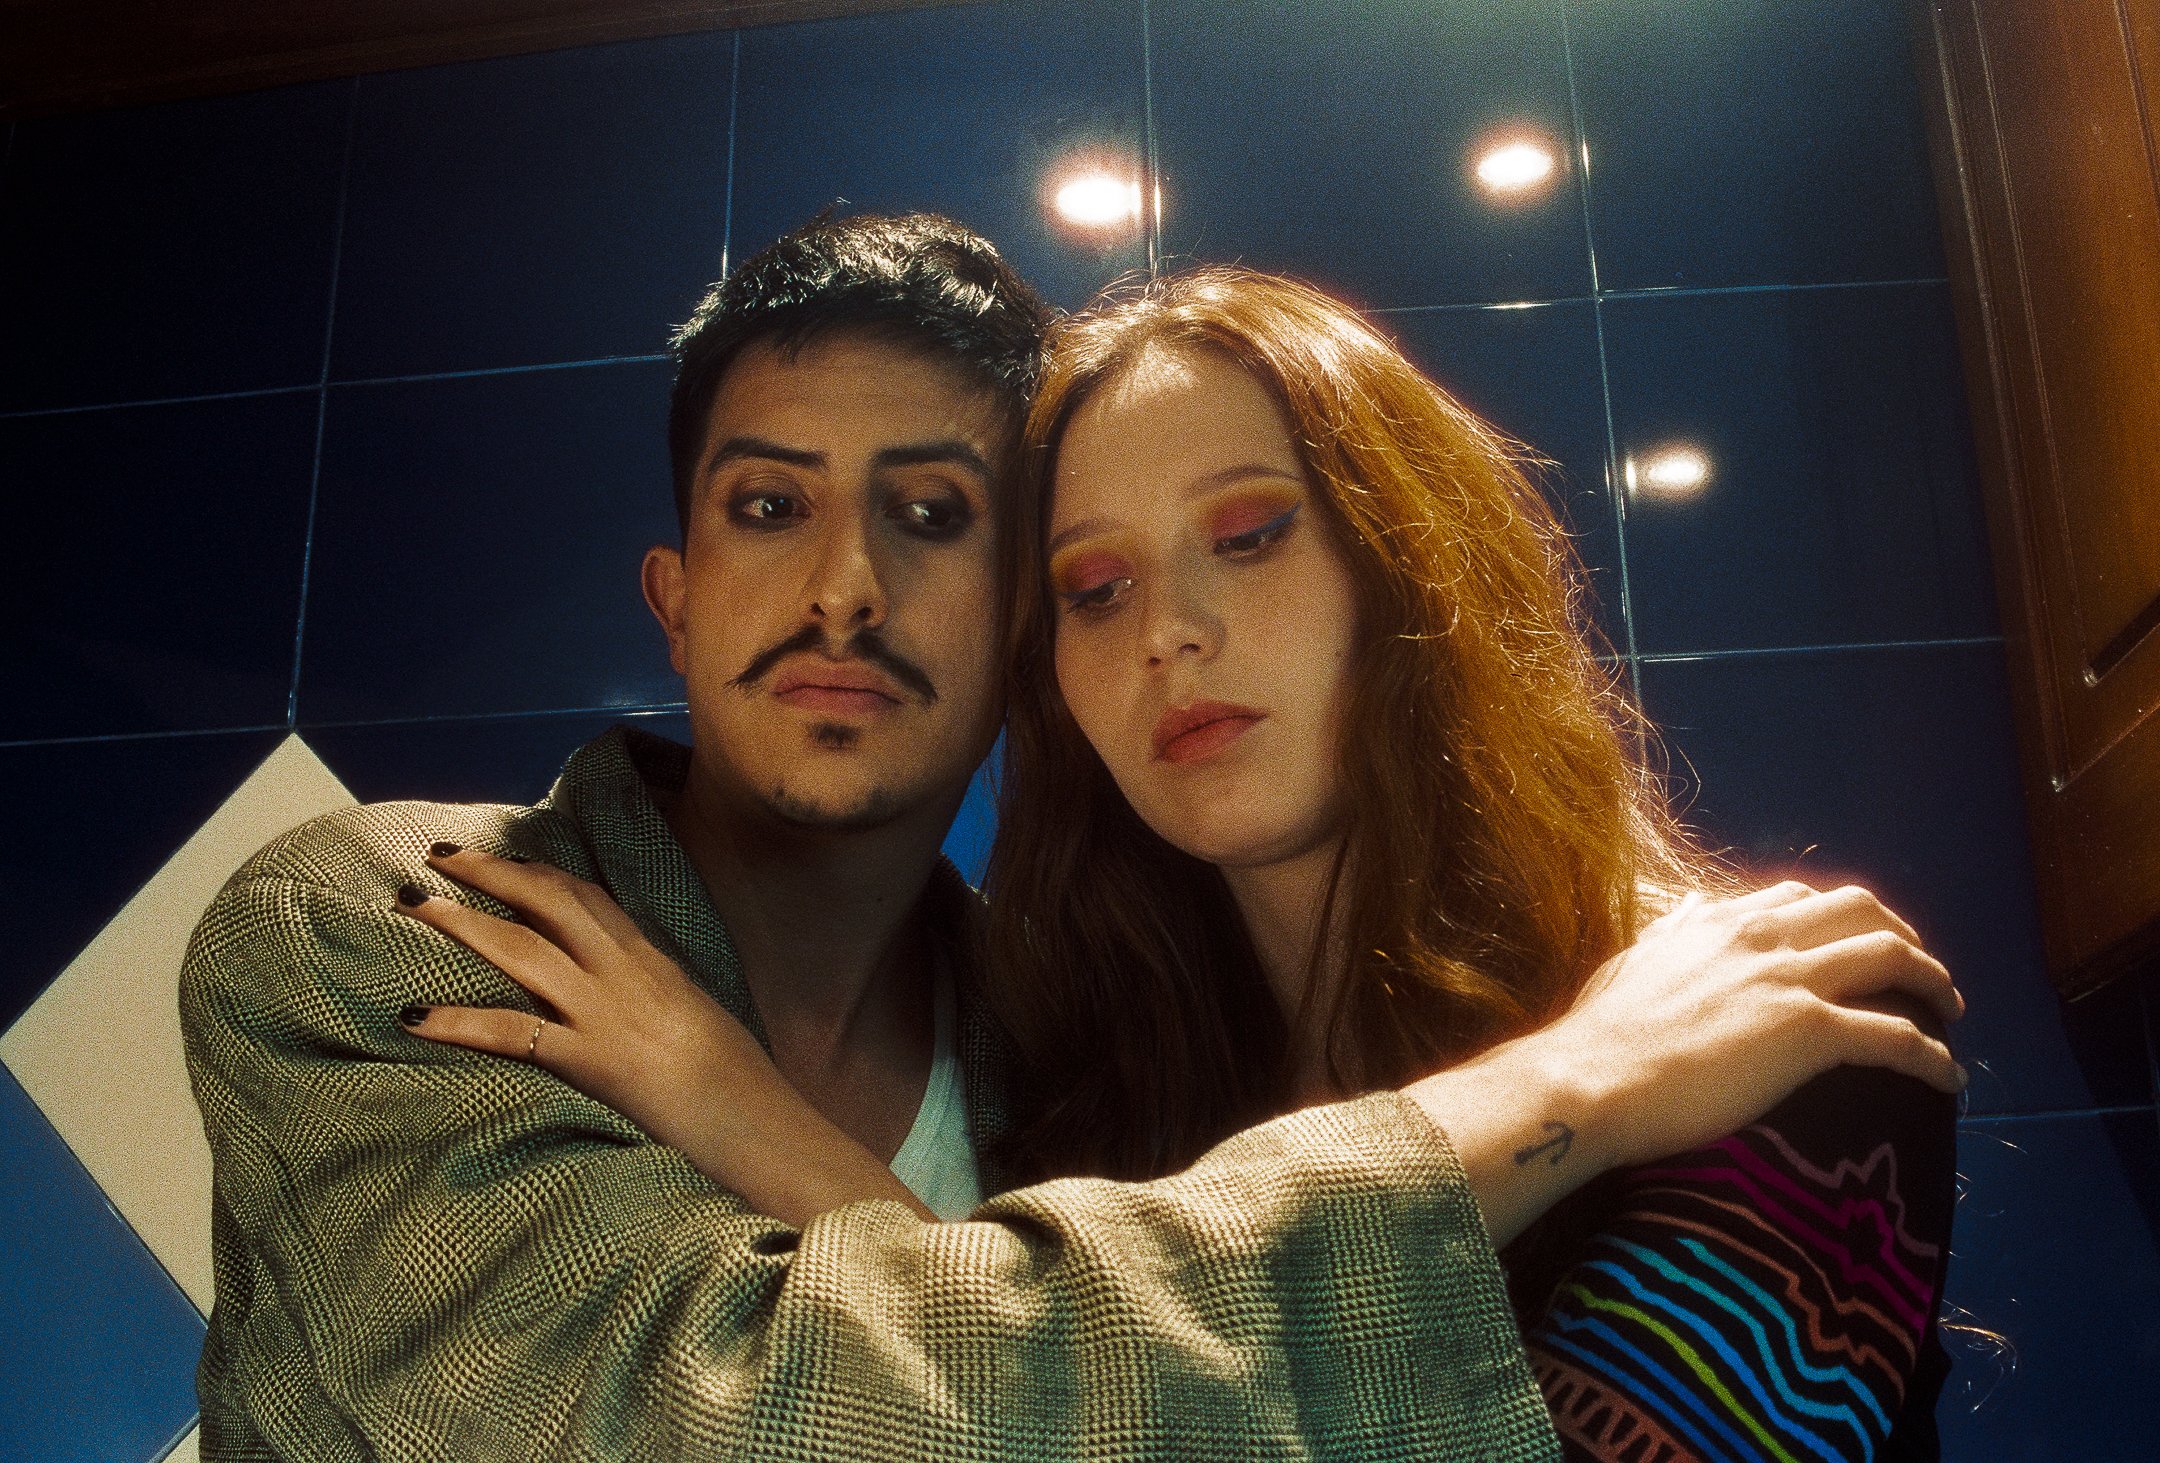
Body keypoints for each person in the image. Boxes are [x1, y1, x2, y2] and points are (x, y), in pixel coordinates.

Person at [379, 250, 1967, 1459]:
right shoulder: (1112, 1087)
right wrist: (738, 1100)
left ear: (1412, 563)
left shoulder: (1770, 1017)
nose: (1170, 633)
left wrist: (748, 1124)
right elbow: (1042, 1392)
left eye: (1250, 533)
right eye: (1093, 588)